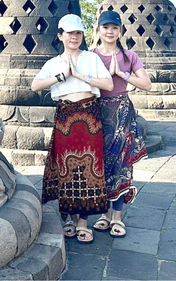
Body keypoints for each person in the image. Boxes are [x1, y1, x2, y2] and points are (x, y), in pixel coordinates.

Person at [31, 13, 114, 243]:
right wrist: (60, 76)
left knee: (90, 167)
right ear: (60, 36)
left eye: (78, 33)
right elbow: (35, 85)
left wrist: (80, 75)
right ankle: (70, 218)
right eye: (69, 33)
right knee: (67, 167)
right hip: (66, 116)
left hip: (89, 114)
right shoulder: (54, 63)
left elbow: (107, 83)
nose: (74, 37)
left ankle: (84, 222)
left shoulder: (91, 59)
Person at [89, 10, 151, 237]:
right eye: (106, 27)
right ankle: (104, 214)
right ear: (99, 29)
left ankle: (117, 216)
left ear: (120, 31)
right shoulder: (91, 55)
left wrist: (121, 74)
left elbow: (146, 84)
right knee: (101, 163)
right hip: (97, 111)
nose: (110, 31)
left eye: (114, 28)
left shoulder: (129, 56)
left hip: (121, 111)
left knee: (122, 163)